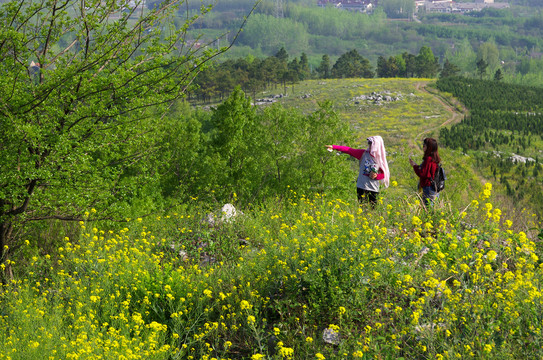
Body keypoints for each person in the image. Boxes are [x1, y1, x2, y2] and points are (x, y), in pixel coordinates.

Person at [326, 136, 390, 206]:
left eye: (371, 143)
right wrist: (334, 147)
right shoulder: (363, 154)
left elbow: (384, 174)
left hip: (373, 189)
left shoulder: (380, 159)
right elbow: (349, 150)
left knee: (373, 210)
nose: (370, 145)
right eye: (369, 143)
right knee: (362, 209)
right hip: (361, 187)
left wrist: (376, 176)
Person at [409, 137, 440, 206]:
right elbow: (427, 171)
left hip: (428, 187)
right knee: (433, 208)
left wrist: (414, 166)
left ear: (428, 147)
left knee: (427, 209)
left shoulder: (428, 159)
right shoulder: (435, 158)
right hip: (435, 188)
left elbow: (422, 173)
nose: (423, 147)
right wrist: (417, 166)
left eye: (424, 146)